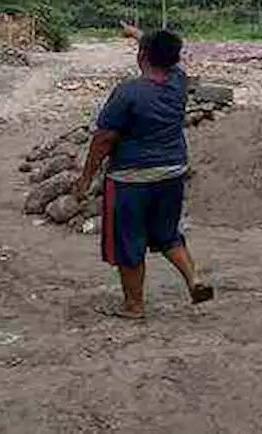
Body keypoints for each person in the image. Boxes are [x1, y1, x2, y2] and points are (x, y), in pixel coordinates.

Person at [74, 24, 213, 319]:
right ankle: (194, 278)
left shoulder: (127, 94)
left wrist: (85, 177)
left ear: (141, 57)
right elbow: (166, 55)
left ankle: (134, 306)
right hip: (173, 172)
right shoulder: (178, 82)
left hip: (131, 179)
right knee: (166, 234)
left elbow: (104, 140)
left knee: (129, 242)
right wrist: (137, 34)